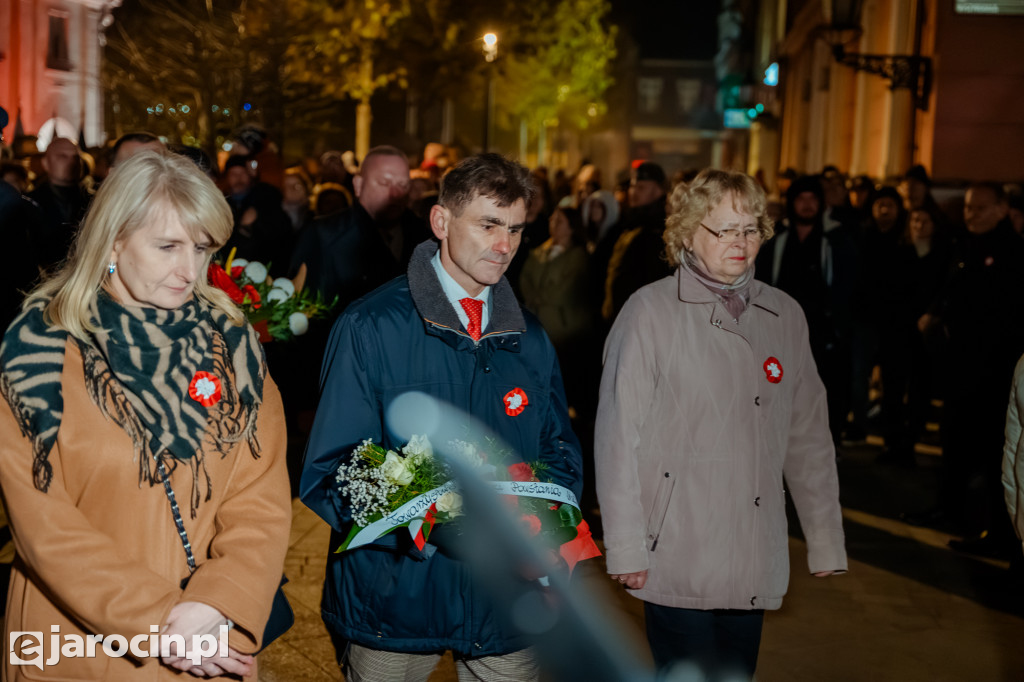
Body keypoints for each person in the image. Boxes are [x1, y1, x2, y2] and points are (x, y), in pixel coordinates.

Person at [0, 151, 291, 679]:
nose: (190, 270)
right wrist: (159, 618)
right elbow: (42, 523)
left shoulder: (233, 350)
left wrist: (219, 600)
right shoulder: (39, 355)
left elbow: (260, 499)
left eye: (201, 248)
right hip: (75, 643)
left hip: (206, 637)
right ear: (113, 241)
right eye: (167, 246)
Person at [300, 153, 584, 682]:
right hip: (395, 600)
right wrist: (433, 523)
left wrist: (542, 521)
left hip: (507, 603)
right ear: (441, 221)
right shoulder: (370, 326)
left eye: (516, 229)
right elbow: (332, 467)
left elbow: (558, 448)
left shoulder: (530, 337)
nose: (504, 245)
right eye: (488, 225)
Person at [596, 168, 847, 680]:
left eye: (751, 229)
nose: (741, 242)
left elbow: (808, 436)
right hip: (677, 546)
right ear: (688, 234)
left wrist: (825, 537)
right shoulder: (649, 311)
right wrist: (624, 546)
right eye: (725, 229)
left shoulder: (784, 315)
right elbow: (618, 438)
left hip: (752, 548)